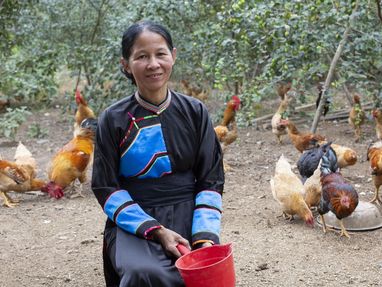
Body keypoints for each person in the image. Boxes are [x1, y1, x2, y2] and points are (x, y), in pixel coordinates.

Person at [91, 20, 225, 287]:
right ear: (126, 64)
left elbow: (210, 180)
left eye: (160, 54)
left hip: (191, 213)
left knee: (201, 272)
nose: (153, 64)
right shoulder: (113, 119)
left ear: (173, 56)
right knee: (147, 273)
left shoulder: (194, 111)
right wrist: (157, 231)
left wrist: (205, 236)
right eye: (141, 56)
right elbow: (106, 187)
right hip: (135, 219)